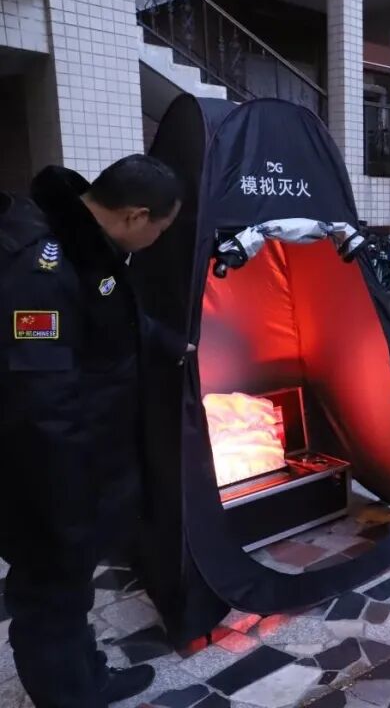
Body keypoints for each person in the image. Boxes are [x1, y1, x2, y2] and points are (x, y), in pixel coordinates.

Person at [0, 156, 187, 707]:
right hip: (44, 472)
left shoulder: (85, 244)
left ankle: (88, 680)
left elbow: (114, 318)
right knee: (49, 594)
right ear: (136, 215)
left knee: (71, 583)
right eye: (161, 229)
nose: (158, 240)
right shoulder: (41, 270)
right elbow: (39, 402)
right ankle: (68, 697)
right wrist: (64, 499)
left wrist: (174, 346)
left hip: (79, 461)